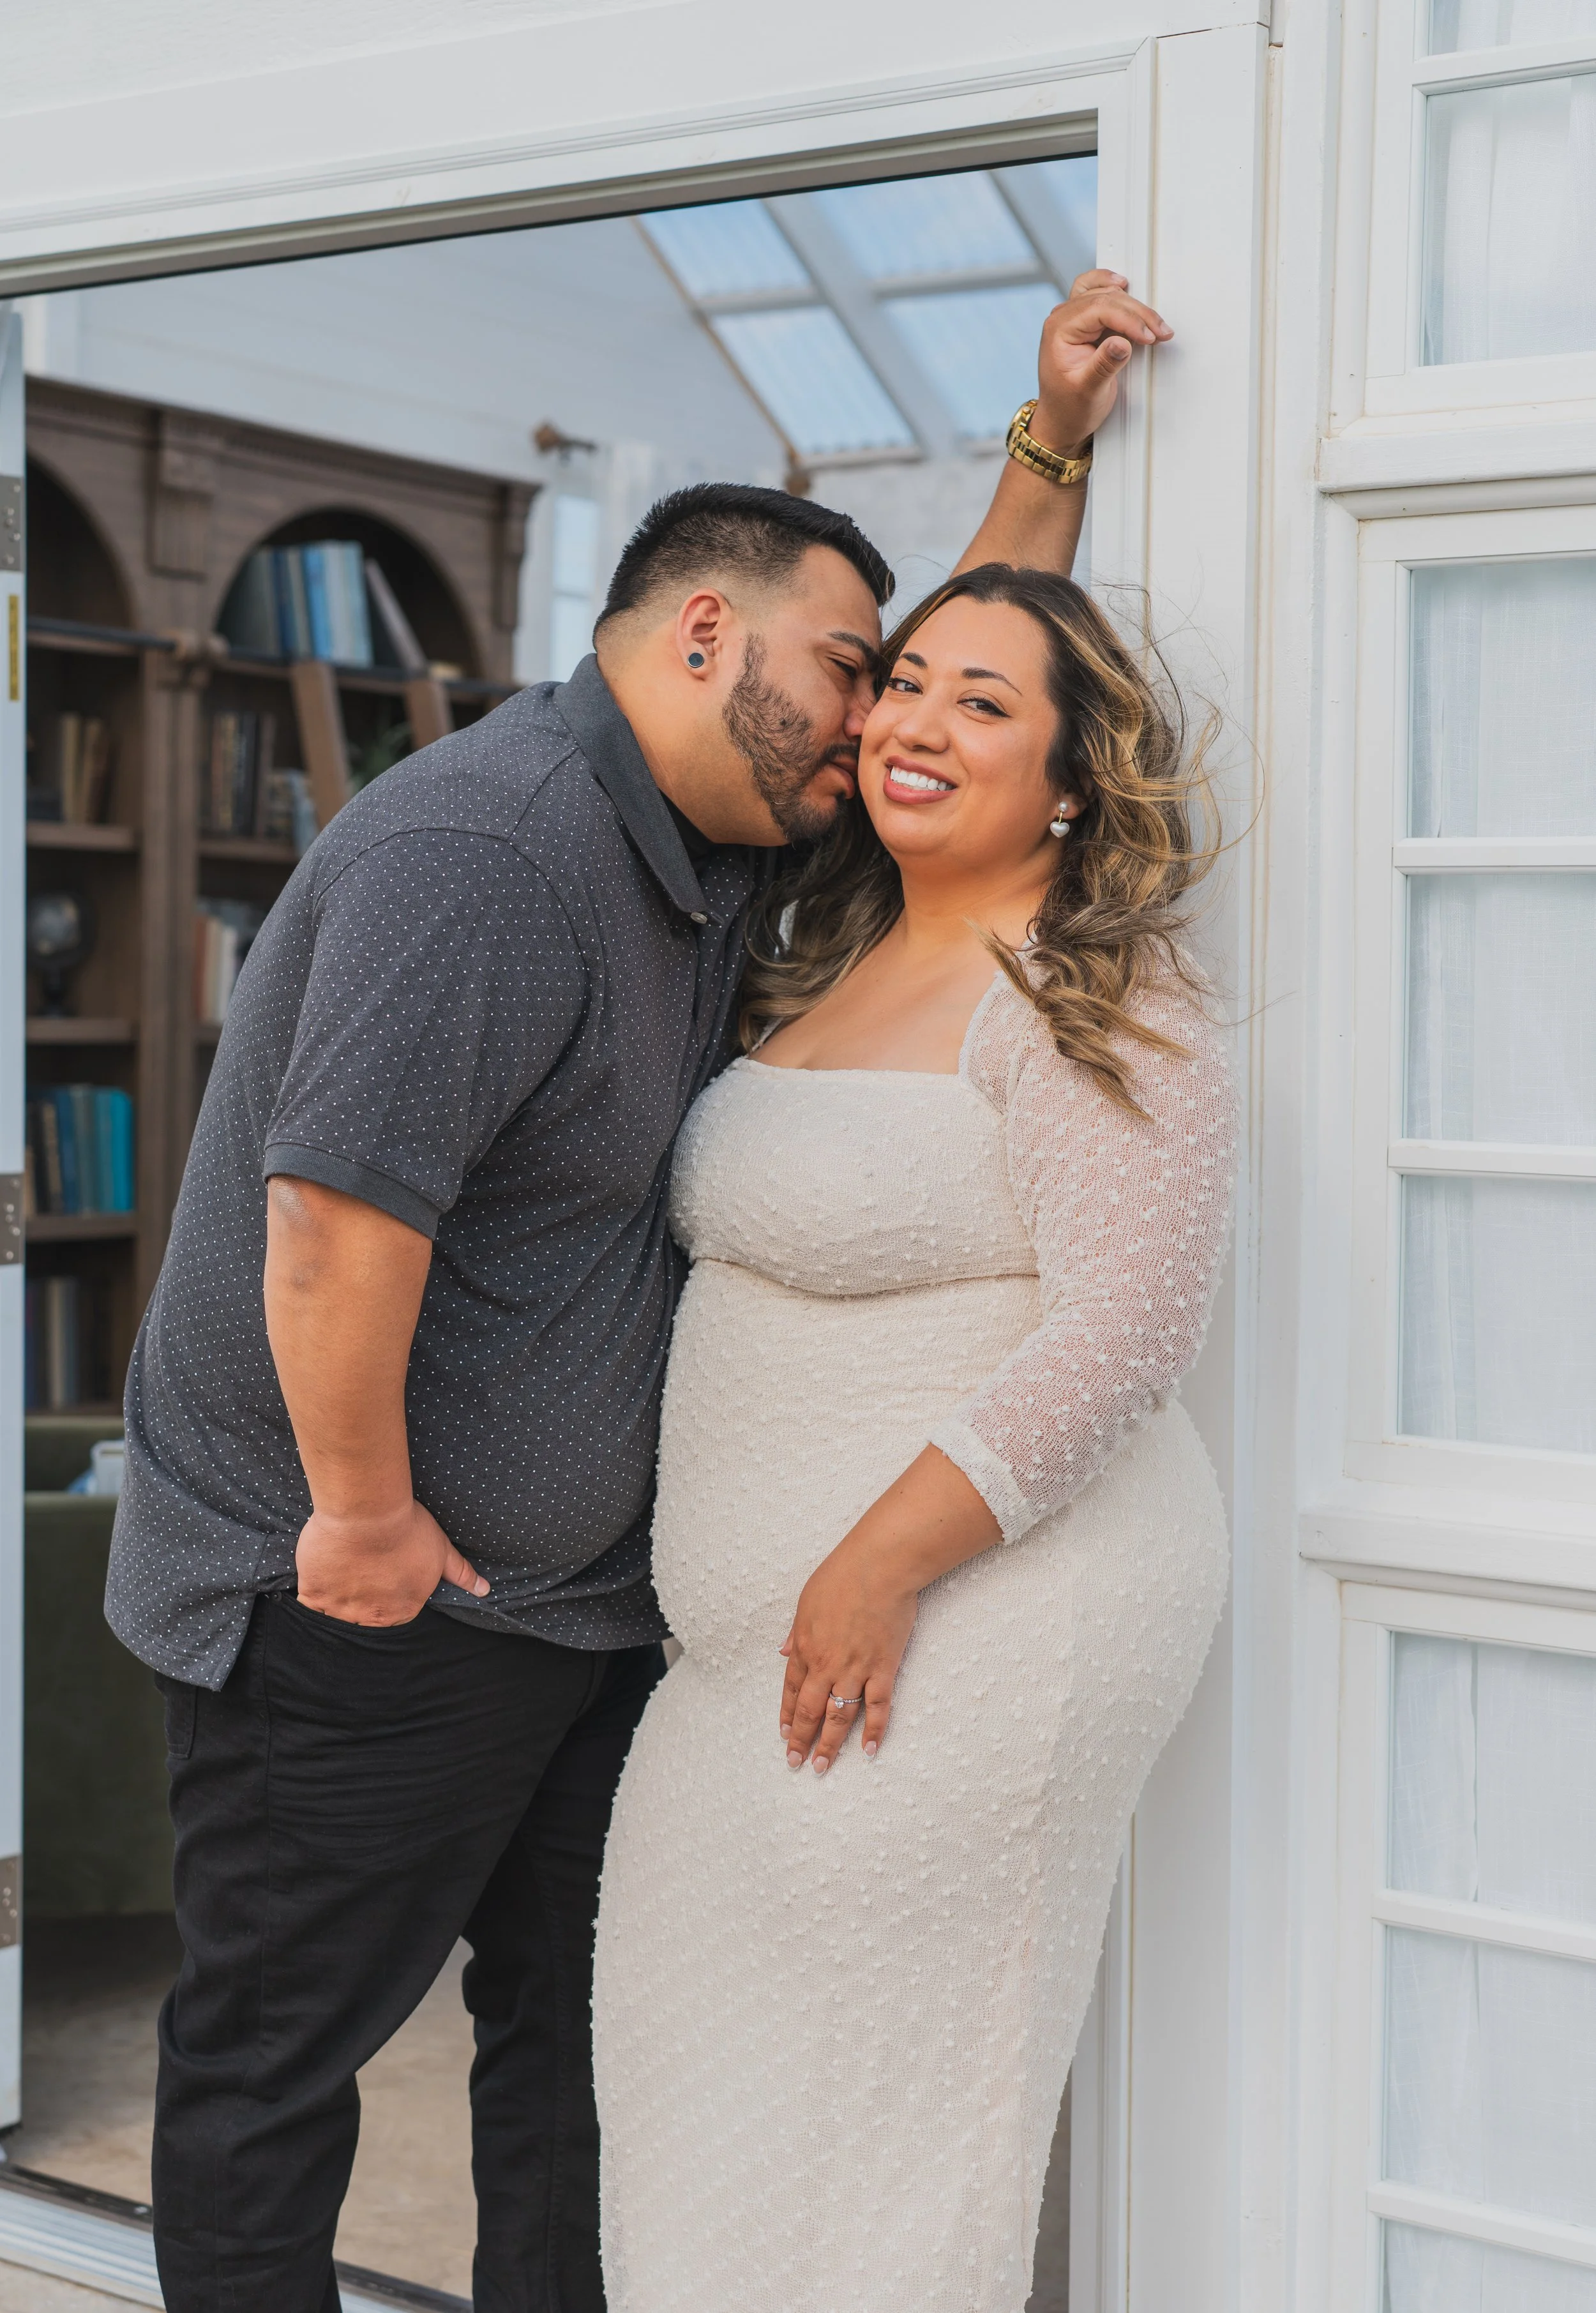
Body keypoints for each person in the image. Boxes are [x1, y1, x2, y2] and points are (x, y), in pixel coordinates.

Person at [104, 269, 1170, 2313]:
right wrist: (362, 1516)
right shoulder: (489, 857)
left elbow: (977, 691)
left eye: (895, 690)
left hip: (588, 1621)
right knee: (275, 2064)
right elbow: (327, 1220)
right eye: (849, 671)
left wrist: (1048, 446)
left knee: (568, 2073)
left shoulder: (725, 837)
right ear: (707, 637)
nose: (879, 723)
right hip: (363, 1604)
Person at [591, 561, 1236, 2312]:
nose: (916, 724)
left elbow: (1127, 1323)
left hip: (980, 1618)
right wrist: (1040, 436)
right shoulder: (822, 943)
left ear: (1073, 776)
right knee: (703, 2090)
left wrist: (876, 1564)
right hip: (739, 1656)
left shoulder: (1103, 992)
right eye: (905, 679)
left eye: (984, 702)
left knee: (875, 2142)